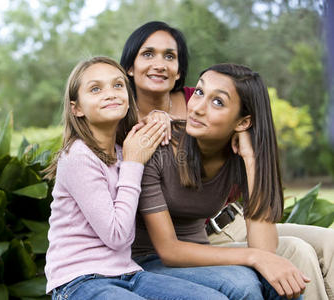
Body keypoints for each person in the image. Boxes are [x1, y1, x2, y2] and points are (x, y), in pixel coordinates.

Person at [120, 21, 333, 300]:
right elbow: (168, 248)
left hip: (224, 226)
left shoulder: (218, 127)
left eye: (169, 56)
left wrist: (251, 157)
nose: (159, 63)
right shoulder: (130, 124)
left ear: (180, 71)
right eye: (148, 54)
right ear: (129, 66)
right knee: (297, 252)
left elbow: (264, 248)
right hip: (167, 247)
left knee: (329, 242)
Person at [43, 56, 229, 300]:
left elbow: (180, 136)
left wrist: (161, 117)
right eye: (96, 89)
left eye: (118, 85)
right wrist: (133, 163)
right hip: (79, 280)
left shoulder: (126, 149)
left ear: (129, 98)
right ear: (76, 108)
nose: (110, 94)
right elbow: (117, 236)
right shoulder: (78, 156)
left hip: (127, 273)